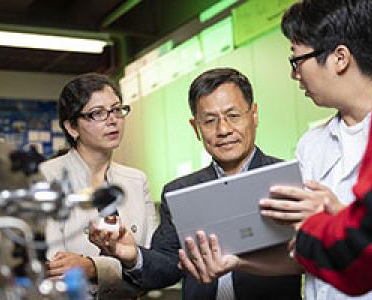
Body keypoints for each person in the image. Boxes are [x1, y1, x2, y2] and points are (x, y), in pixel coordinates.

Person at [184, 0, 372, 299]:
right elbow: (304, 253)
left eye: (297, 61)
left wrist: (339, 220)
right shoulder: (312, 145)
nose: (295, 75)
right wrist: (239, 262)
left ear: (339, 58)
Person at [89, 68, 302, 299]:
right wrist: (132, 255)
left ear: (254, 115)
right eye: (210, 121)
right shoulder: (180, 192)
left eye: (233, 116)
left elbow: (309, 256)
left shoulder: (286, 181)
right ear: (195, 128)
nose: (223, 130)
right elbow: (167, 267)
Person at [40, 73, 157, 299]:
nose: (112, 120)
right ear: (72, 127)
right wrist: (124, 267)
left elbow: (151, 268)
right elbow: (55, 269)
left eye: (116, 110)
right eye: (98, 114)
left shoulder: (136, 181)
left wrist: (92, 267)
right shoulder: (47, 177)